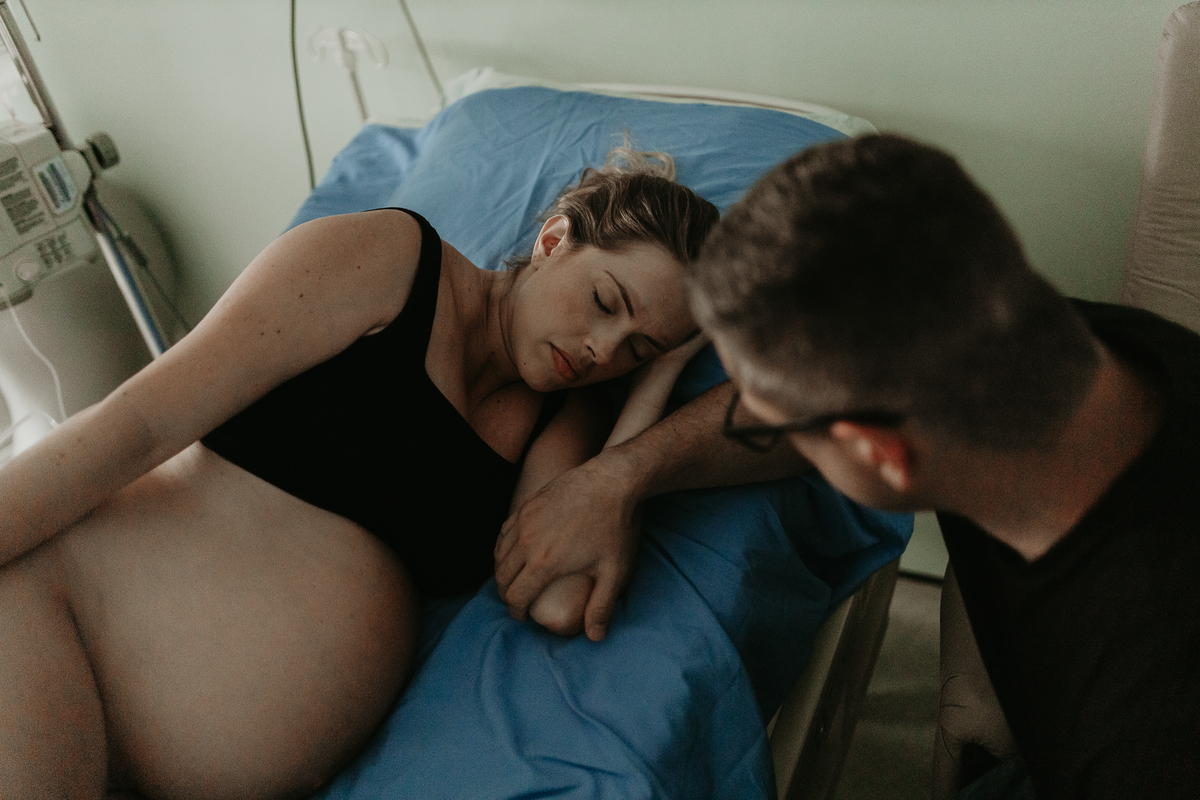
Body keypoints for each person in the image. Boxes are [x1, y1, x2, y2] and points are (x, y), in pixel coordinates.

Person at [0, 147, 721, 800]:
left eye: (638, 348)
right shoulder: (389, 262)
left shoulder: (564, 417)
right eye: (605, 303)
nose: (603, 350)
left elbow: (560, 601)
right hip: (60, 614)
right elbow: (137, 426)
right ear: (554, 241)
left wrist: (652, 392)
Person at [680, 132, 1200, 798]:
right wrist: (620, 477)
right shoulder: (1065, 342)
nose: (758, 426)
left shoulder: (1145, 733)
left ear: (881, 452)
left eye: (772, 423)